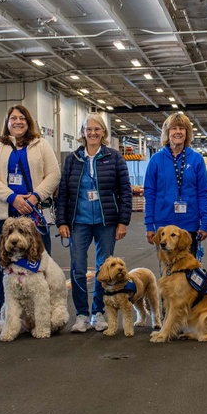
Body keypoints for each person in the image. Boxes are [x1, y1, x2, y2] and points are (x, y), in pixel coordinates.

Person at [0, 105, 61, 333]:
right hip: (5, 213)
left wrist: (35, 197)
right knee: (1, 265)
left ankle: (44, 314)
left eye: (22, 117)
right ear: (7, 121)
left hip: (34, 214)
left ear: (29, 121)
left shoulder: (41, 144)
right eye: (13, 118)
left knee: (41, 264)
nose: (17, 121)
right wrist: (12, 197)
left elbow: (54, 174)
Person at [56, 114, 132, 333]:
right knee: (78, 268)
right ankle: (81, 314)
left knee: (104, 268)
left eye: (97, 129)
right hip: (78, 221)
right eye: (88, 129)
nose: (92, 133)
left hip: (106, 221)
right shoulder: (72, 159)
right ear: (82, 133)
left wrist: (122, 222)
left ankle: (98, 313)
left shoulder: (115, 157)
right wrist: (62, 221)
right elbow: (63, 193)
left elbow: (125, 191)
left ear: (103, 133)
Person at [144, 113, 207, 257]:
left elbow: (203, 193)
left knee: (189, 271)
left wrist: (205, 222)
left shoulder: (196, 159)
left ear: (187, 133)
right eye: (173, 128)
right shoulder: (156, 160)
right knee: (166, 273)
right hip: (164, 224)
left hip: (189, 225)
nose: (178, 132)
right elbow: (149, 194)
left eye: (182, 128)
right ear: (167, 133)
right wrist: (149, 225)